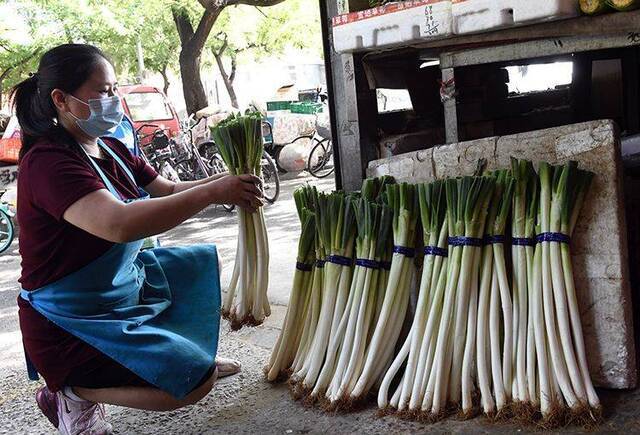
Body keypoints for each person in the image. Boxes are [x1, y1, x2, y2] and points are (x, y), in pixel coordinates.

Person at [13, 44, 263, 435]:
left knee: (188, 267)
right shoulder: (48, 162)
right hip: (70, 322)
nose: (114, 101)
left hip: (122, 295)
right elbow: (118, 224)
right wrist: (214, 193)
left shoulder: (110, 147)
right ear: (61, 99)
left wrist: (230, 180)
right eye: (104, 92)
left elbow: (166, 188)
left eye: (115, 90)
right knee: (191, 384)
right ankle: (70, 391)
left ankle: (172, 357)